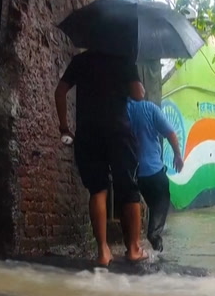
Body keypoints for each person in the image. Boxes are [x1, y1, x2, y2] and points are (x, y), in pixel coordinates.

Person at [54, 50, 147, 266]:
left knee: (97, 190)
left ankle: (103, 251)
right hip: (119, 133)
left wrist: (64, 128)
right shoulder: (124, 59)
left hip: (88, 134)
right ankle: (133, 249)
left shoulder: (80, 61)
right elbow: (138, 94)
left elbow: (60, 92)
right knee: (129, 188)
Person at [127, 98, 184, 252]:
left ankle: (133, 248)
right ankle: (155, 243)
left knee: (143, 206)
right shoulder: (149, 108)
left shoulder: (121, 110)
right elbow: (170, 133)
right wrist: (178, 155)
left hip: (135, 175)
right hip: (155, 173)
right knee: (159, 211)